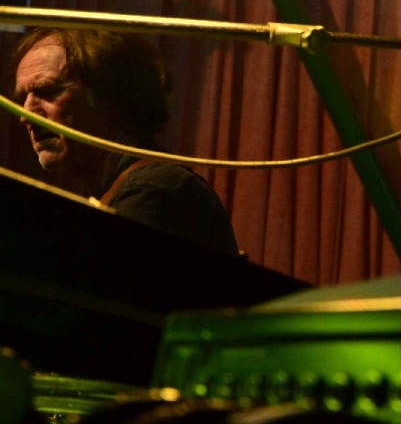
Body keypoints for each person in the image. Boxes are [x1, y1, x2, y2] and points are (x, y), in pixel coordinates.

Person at [10, 28, 239, 255]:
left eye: (48, 91)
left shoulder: (153, 191)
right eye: (22, 99)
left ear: (109, 96)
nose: (25, 116)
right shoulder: (134, 187)